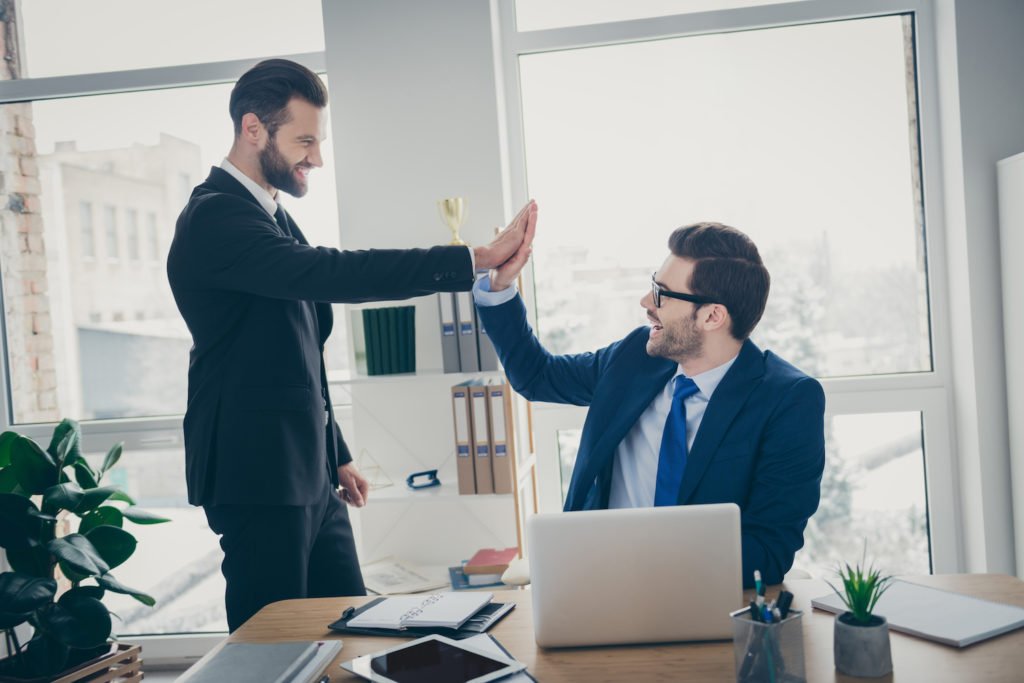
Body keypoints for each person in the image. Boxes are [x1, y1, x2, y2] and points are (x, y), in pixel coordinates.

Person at [166, 59, 536, 631]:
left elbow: (297, 355)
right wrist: (469, 259)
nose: (316, 157)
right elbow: (330, 274)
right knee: (274, 638)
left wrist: (334, 450)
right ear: (253, 129)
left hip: (307, 468)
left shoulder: (268, 215)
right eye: (305, 140)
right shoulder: (216, 217)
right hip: (257, 470)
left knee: (350, 623)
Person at [475, 221, 824, 586]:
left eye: (662, 294)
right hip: (595, 584)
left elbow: (769, 551)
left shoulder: (788, 401)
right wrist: (500, 287)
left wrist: (649, 560)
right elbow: (537, 376)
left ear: (712, 316)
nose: (646, 303)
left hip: (703, 596)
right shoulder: (634, 357)